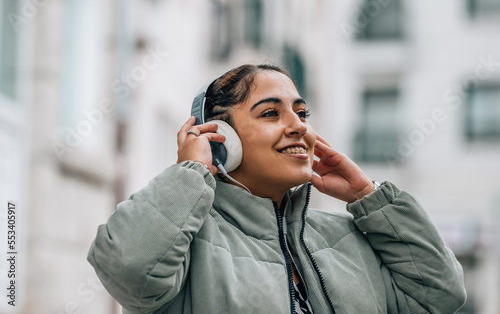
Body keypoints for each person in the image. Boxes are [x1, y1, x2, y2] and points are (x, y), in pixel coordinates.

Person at [88, 64, 466, 314]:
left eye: (302, 114)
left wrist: (369, 196)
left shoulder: (350, 238)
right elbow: (128, 268)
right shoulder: (183, 243)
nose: (299, 126)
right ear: (223, 140)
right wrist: (192, 170)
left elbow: (440, 293)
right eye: (271, 113)